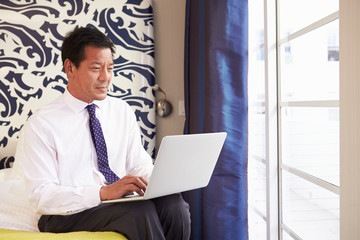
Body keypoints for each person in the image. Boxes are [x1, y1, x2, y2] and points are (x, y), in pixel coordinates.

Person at [22, 27, 191, 240]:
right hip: (64, 214)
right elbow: (41, 196)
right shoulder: (42, 124)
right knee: (140, 212)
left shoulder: (121, 110)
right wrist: (102, 193)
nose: (105, 77)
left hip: (117, 203)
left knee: (173, 205)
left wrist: (159, 183)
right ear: (70, 68)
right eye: (96, 68)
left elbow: (138, 164)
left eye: (110, 68)